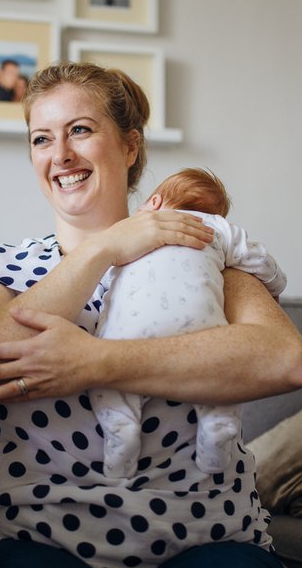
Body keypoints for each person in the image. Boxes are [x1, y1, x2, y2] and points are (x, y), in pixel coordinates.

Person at [0, 61, 302, 568]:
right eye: (41, 139)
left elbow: (284, 361)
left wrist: (94, 363)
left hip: (205, 538)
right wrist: (105, 247)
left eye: (80, 131)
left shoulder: (195, 245)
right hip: (31, 537)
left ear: (130, 146)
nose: (61, 154)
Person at [92, 167, 287, 479]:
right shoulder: (218, 229)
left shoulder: (129, 232)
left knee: (106, 380)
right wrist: (275, 288)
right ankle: (217, 426)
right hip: (199, 329)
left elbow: (99, 276)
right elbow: (260, 260)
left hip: (128, 332)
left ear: (153, 202)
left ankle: (121, 433)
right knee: (221, 371)